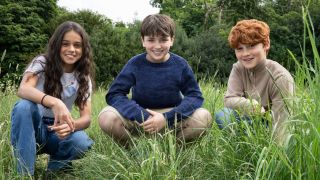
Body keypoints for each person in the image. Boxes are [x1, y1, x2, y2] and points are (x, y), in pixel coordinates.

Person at [98, 14, 212, 146]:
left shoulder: (180, 64)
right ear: (143, 41)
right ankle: (136, 150)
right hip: (140, 118)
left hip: (172, 118)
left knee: (204, 117)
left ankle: (172, 150)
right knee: (106, 117)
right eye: (151, 40)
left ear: (172, 40)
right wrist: (142, 115)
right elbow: (114, 94)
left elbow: (195, 96)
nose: (157, 46)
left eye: (163, 40)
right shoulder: (135, 64)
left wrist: (166, 118)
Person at [10, 21, 94, 176]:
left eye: (77, 45)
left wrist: (72, 125)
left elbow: (87, 118)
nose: (71, 49)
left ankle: (53, 171)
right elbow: (23, 89)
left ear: (83, 49)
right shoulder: (42, 62)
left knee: (82, 142)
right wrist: (55, 102)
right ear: (56, 45)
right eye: (65, 44)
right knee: (24, 106)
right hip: (34, 127)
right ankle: (24, 174)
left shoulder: (83, 76)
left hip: (58, 132)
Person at [214, 19, 294, 145]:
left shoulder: (281, 77)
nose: (245, 54)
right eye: (240, 48)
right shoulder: (238, 68)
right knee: (224, 115)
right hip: (249, 121)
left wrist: (276, 156)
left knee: (282, 136)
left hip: (272, 126)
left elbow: (282, 123)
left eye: (252, 46)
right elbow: (229, 100)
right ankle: (242, 153)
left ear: (266, 44)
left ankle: (263, 155)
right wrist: (251, 105)